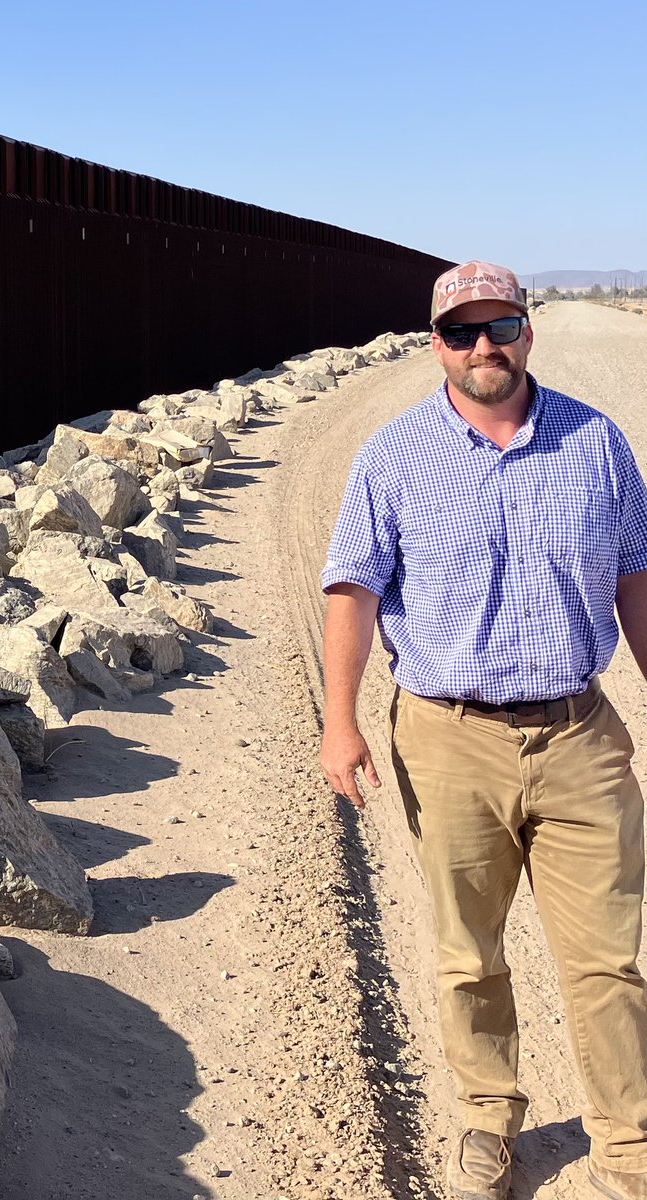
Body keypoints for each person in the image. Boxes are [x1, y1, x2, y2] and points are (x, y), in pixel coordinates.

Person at [320, 260, 647, 1200]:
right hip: (446, 736)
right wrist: (337, 724)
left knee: (605, 958)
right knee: (467, 951)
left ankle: (626, 1140)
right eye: (459, 332)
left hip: (579, 737)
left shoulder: (596, 445)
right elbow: (352, 590)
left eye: (497, 326)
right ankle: (485, 1120)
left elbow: (634, 582)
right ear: (436, 346)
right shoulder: (392, 455)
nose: (481, 347)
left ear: (527, 331)